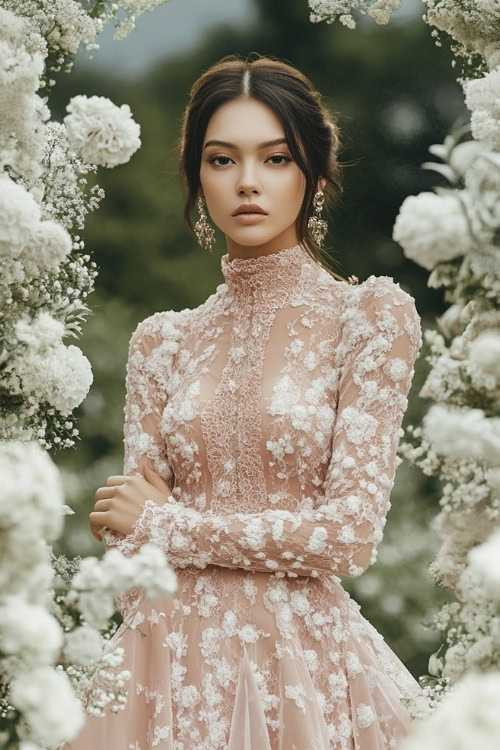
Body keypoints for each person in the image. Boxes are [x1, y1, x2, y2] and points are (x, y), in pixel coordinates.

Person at [65, 53, 428, 750]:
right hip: (161, 672)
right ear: (198, 179)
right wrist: (137, 535)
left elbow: (349, 534)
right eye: (223, 160)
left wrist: (171, 527)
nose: (249, 184)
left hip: (305, 674)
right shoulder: (162, 342)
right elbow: (130, 546)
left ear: (314, 174)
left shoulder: (369, 317)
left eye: (277, 159)